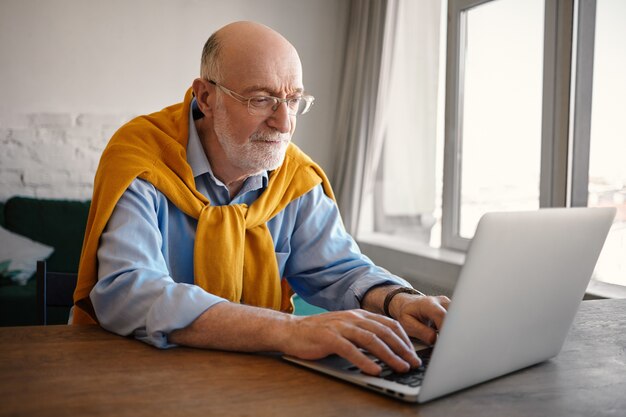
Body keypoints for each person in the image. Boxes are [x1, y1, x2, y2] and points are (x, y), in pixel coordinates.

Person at [72, 21, 450, 376]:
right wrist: (290, 331)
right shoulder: (141, 158)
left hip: (256, 380)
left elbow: (342, 270)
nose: (284, 123)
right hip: (135, 374)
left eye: (293, 100)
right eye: (261, 99)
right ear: (206, 96)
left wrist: (399, 301)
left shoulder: (295, 178)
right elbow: (129, 291)